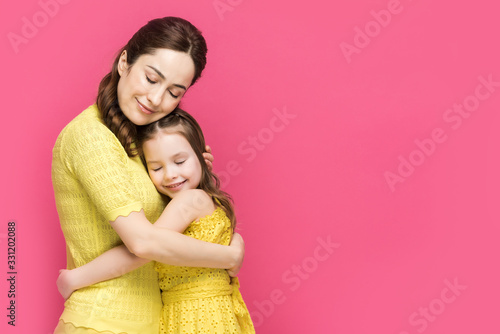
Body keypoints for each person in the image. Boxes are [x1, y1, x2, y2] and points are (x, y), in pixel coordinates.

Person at [52, 17, 245, 334]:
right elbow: (142, 241)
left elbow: (171, 225)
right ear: (125, 61)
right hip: (101, 322)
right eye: (151, 78)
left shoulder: (140, 146)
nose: (156, 99)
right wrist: (230, 254)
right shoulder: (91, 137)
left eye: (174, 91)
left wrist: (192, 173)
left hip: (154, 322)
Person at [58, 109, 255, 333]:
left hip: (195, 317)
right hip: (216, 313)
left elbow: (141, 249)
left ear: (202, 155)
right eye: (157, 168)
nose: (170, 174)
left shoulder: (188, 201)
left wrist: (75, 278)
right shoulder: (205, 200)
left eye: (179, 161)